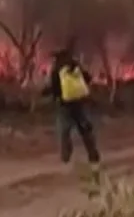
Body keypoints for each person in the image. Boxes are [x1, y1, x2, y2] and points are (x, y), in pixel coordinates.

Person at [44, 43, 102, 172]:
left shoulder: (57, 68)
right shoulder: (75, 65)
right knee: (86, 130)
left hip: (64, 105)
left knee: (64, 131)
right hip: (80, 103)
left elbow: (54, 87)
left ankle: (66, 158)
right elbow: (88, 78)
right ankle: (94, 157)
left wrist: (49, 94)